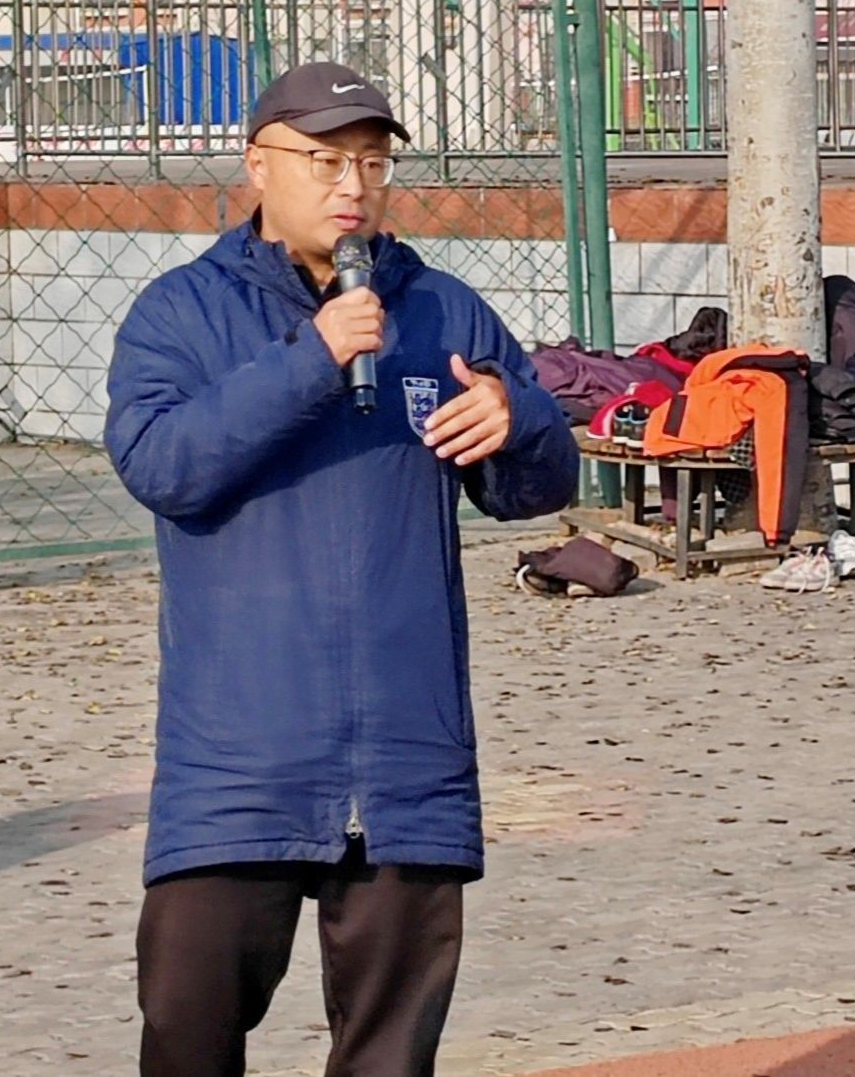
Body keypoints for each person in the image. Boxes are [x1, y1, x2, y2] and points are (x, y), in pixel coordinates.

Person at [104, 60, 581, 1077]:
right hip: (238, 760)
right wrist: (310, 358)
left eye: (371, 161)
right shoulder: (179, 313)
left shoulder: (442, 312)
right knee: (186, 1025)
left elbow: (533, 489)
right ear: (257, 165)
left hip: (406, 757)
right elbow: (163, 465)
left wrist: (521, 417)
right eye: (324, 161)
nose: (352, 185)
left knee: (390, 1057)